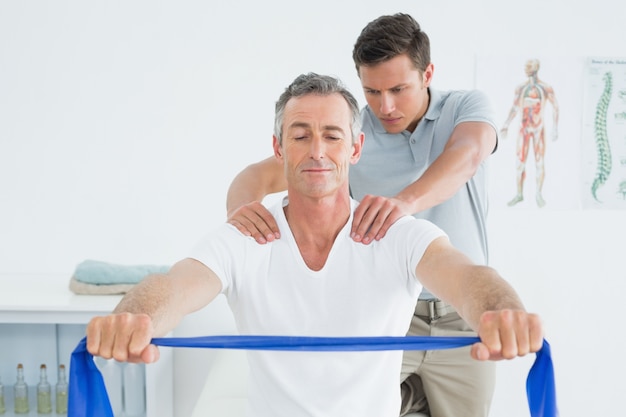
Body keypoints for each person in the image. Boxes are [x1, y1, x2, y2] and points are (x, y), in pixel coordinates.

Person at [86, 73, 542, 417]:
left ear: (356, 148)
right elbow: (176, 286)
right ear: (279, 147)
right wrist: (135, 317)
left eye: (332, 136)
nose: (317, 151)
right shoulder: (248, 236)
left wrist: (500, 309)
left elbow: (465, 276)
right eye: (301, 135)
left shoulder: (395, 233)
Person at [225, 13, 499, 417]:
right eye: (371, 90)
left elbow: (468, 156)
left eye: (397, 89)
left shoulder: (465, 106)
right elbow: (255, 176)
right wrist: (242, 218)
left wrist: (403, 204)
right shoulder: (350, 134)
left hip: (460, 316)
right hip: (384, 314)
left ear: (428, 74)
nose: (384, 105)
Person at [500, 58, 559, 208]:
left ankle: (538, 194)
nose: (525, 69)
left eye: (528, 66)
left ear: (535, 68)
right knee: (520, 162)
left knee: (539, 162)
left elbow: (555, 106)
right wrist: (506, 124)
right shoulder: (520, 88)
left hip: (538, 128)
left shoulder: (545, 88)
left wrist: (555, 127)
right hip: (524, 128)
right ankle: (519, 194)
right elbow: (514, 108)